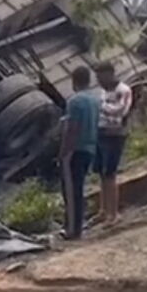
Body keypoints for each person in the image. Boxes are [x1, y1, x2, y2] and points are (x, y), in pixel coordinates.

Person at [60, 65, 99, 240]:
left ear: (73, 81)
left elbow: (72, 129)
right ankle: (77, 225)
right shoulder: (95, 100)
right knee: (79, 187)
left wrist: (64, 151)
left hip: (75, 150)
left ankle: (72, 230)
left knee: (71, 190)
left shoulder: (74, 102)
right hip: (90, 148)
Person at [94, 61, 133, 225]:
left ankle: (114, 214)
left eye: (100, 77)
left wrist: (102, 106)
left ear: (110, 74)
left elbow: (120, 111)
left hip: (115, 135)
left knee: (110, 173)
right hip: (101, 133)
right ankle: (103, 210)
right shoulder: (103, 92)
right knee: (102, 173)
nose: (99, 81)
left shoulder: (124, 91)